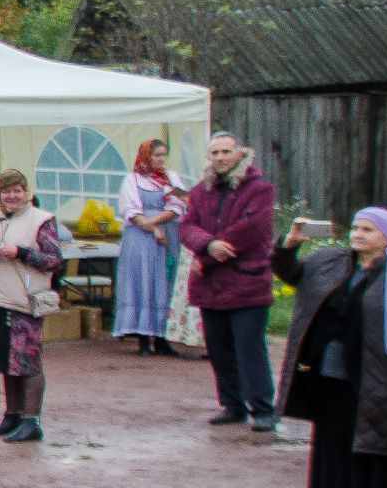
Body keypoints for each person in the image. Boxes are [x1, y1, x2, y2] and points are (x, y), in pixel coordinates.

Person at [276, 209, 387, 488]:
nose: (357, 234)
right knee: (334, 441)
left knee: (376, 446)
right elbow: (291, 274)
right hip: (331, 371)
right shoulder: (330, 262)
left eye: (368, 230)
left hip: (381, 376)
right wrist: (288, 246)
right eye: (356, 227)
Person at [182, 132, 280, 431]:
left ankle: (262, 408)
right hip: (210, 286)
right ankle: (232, 404)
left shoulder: (260, 190)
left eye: (226, 152)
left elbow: (250, 229)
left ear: (240, 154)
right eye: (215, 153)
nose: (220, 158)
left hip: (246, 281)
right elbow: (187, 226)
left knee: (249, 347)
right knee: (219, 348)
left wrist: (208, 254)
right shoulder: (200, 191)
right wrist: (207, 244)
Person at [0, 168, 64, 443]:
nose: (12, 196)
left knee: (27, 361)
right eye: (6, 191)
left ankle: (31, 420)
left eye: (17, 191)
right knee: (4, 361)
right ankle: (12, 414)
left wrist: (21, 253)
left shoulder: (41, 220)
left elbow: (54, 259)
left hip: (26, 301)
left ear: (27, 193)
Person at [115, 140, 185, 356]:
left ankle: (162, 338)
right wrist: (152, 229)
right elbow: (131, 210)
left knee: (165, 281)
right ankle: (143, 337)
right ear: (146, 156)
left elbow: (180, 204)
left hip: (168, 235)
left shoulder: (171, 179)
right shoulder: (132, 179)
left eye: (164, 155)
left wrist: (155, 223)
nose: (161, 160)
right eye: (157, 155)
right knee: (143, 279)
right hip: (140, 238)